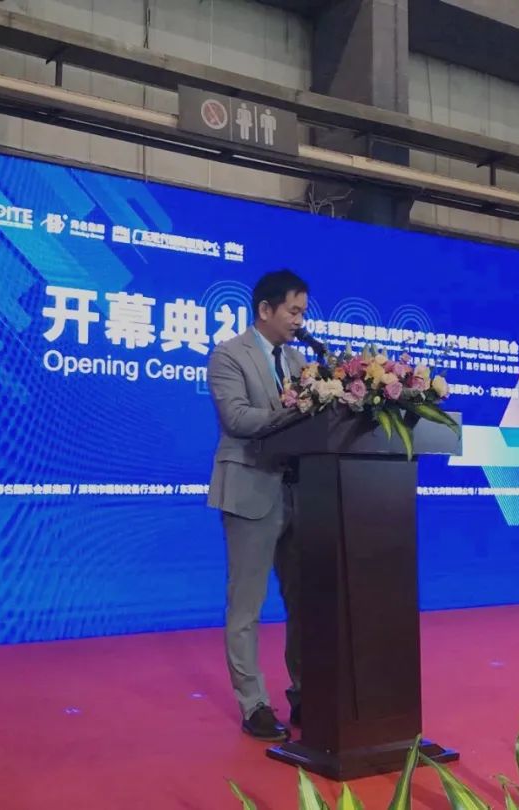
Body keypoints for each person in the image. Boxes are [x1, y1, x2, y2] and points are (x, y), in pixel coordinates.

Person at [206, 269, 309, 742]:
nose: (299, 320)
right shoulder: (229, 355)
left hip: (300, 495)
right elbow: (238, 418)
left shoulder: (298, 359)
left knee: (304, 601)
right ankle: (254, 704)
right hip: (250, 490)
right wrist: (299, 410)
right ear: (265, 309)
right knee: (247, 606)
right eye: (293, 311)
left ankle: (305, 691)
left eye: (303, 312)